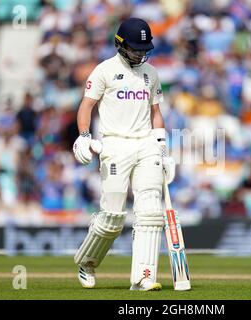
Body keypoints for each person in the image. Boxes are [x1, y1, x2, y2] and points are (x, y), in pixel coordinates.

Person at [72, 18, 175, 291]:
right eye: (135, 49)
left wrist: (162, 146)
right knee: (113, 217)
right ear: (120, 44)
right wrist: (84, 137)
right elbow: (86, 106)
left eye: (144, 49)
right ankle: (87, 261)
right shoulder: (104, 70)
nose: (140, 54)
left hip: (145, 144)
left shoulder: (150, 73)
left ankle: (144, 277)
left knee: (151, 211)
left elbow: (156, 113)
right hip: (115, 144)